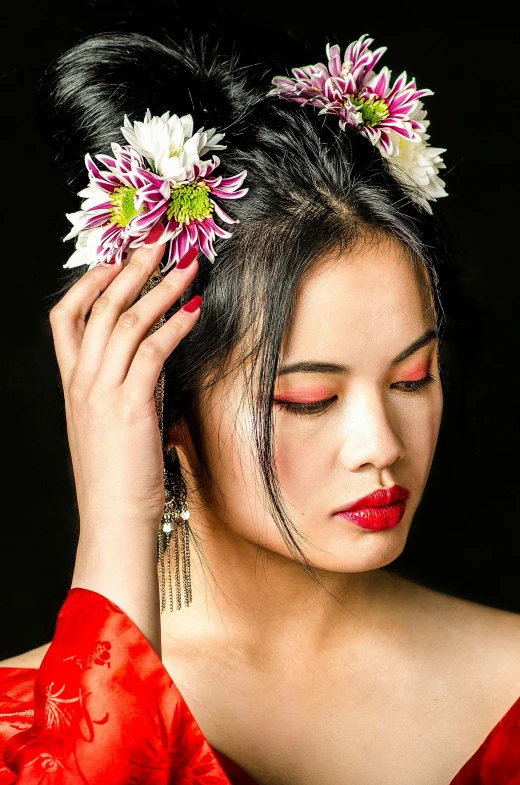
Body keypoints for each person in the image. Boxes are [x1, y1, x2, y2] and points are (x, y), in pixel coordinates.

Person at [1, 28, 520, 785]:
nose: (380, 444)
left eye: (412, 378)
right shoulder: (21, 727)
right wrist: (117, 521)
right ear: (161, 402)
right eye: (309, 399)